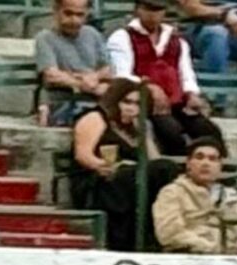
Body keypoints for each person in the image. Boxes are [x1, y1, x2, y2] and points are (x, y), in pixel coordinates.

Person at [71, 77, 178, 251]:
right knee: (147, 174)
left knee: (166, 169)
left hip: (131, 180)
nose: (131, 108)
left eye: (137, 104)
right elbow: (83, 155)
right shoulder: (96, 118)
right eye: (126, 102)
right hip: (99, 180)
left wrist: (144, 135)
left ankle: (157, 233)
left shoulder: (136, 129)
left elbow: (155, 162)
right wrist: (111, 166)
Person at [108, 0, 224, 156]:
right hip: (145, 103)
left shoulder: (176, 40)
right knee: (171, 131)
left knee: (209, 130)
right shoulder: (122, 37)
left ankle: (224, 168)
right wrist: (148, 87)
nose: (152, 15)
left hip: (177, 101)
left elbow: (186, 72)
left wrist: (191, 93)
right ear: (138, 10)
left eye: (157, 10)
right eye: (148, 9)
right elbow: (122, 74)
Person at [153, 136, 237, 254]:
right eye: (199, 157)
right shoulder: (172, 192)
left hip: (230, 256)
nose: (205, 163)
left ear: (220, 166)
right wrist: (211, 248)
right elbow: (170, 234)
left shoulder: (229, 195)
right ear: (188, 164)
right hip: (190, 255)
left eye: (212, 159)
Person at [34, 0, 112, 126]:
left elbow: (108, 69)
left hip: (94, 101)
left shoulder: (93, 34)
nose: (74, 20)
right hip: (62, 102)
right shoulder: (45, 38)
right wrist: (84, 85)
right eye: (68, 13)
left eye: (80, 15)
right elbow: (51, 76)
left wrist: (94, 76)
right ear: (56, 11)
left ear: (87, 14)